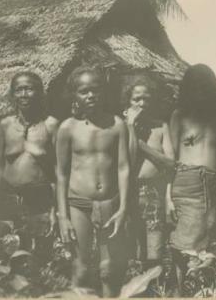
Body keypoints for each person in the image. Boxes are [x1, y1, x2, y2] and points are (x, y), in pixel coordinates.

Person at [55, 65, 130, 297]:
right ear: (74, 95)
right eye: (84, 91)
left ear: (103, 92)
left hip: (110, 202)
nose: (90, 96)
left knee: (109, 268)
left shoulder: (117, 125)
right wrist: (63, 216)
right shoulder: (68, 128)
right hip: (79, 203)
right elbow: (61, 173)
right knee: (81, 266)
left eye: (95, 90)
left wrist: (123, 208)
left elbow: (123, 167)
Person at [168, 64, 216, 279]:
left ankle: (205, 291)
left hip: (215, 181)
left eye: (204, 86)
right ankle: (179, 292)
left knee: (211, 242)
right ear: (187, 89)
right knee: (184, 243)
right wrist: (166, 197)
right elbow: (172, 158)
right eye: (195, 87)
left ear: (213, 88)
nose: (200, 91)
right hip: (186, 180)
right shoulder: (179, 116)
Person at [0, 71, 59, 263]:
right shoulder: (5, 125)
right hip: (8, 199)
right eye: (19, 90)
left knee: (40, 259)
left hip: (39, 199)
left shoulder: (51, 125)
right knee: (6, 257)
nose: (24, 94)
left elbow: (59, 170)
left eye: (30, 89)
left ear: (40, 93)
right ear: (12, 94)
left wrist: (56, 209)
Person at [122, 75, 175, 266]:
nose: (142, 103)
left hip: (154, 194)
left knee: (155, 252)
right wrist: (130, 126)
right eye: (137, 99)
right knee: (131, 253)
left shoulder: (161, 126)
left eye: (147, 99)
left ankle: (155, 291)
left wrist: (142, 144)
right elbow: (124, 160)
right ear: (128, 100)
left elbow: (170, 164)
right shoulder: (120, 126)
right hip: (127, 194)